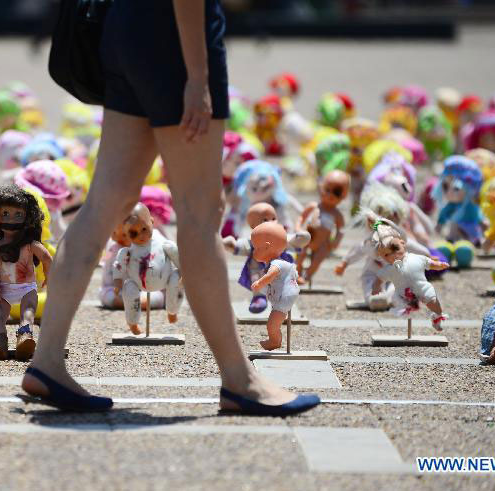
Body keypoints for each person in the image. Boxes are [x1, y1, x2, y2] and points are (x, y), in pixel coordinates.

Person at [21, 0, 320, 416]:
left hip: (127, 26)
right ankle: (240, 380)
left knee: (108, 199)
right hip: (176, 35)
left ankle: (47, 361)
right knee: (200, 213)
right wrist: (197, 76)